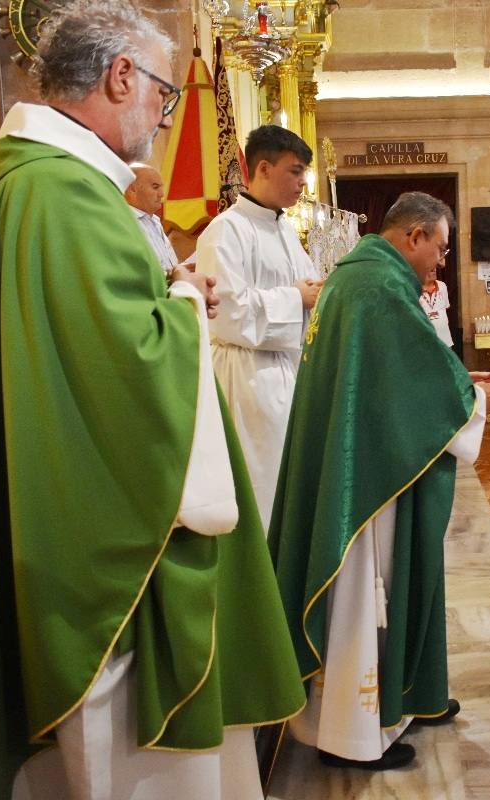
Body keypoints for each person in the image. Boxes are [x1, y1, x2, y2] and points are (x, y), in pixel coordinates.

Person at [0, 3, 305, 798]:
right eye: (161, 92)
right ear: (120, 76)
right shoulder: (66, 193)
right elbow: (134, 360)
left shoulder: (43, 183)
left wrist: (172, 289)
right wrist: (184, 304)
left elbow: (100, 331)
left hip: (76, 485)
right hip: (111, 533)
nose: (161, 115)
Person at [269, 192, 490, 771]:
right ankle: (351, 737)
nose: (442, 262)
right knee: (363, 594)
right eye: (441, 248)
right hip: (366, 479)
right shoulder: (378, 287)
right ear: (414, 237)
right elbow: (408, 382)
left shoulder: (363, 275)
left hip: (365, 458)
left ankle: (403, 699)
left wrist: (458, 376)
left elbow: (404, 364)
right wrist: (475, 398)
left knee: (385, 588)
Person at [195, 125, 322, 531]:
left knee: (288, 483)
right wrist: (295, 297)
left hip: (286, 369)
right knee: (260, 486)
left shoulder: (283, 227)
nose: (303, 182)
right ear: (263, 168)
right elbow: (226, 312)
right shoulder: (226, 230)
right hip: (247, 377)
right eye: (296, 171)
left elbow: (306, 288)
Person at [124, 162, 179, 275]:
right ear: (132, 189)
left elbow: (169, 265)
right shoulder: (123, 221)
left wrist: (182, 270)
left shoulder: (155, 221)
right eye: (155, 187)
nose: (162, 194)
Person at [419, 263, 454, 346]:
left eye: (434, 269)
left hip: (445, 340)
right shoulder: (414, 288)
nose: (434, 270)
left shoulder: (442, 286)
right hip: (424, 341)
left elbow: (446, 307)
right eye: (431, 269)